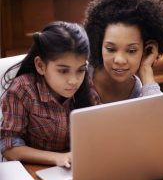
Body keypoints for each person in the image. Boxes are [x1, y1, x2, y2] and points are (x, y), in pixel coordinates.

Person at [0, 21, 97, 167]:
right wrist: (57, 158)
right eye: (63, 71)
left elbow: (97, 130)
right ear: (40, 66)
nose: (74, 80)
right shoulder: (22, 90)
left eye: (81, 70)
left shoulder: (84, 85)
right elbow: (9, 147)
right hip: (34, 170)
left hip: (73, 168)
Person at [84, 0, 163, 103]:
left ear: (145, 50)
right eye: (111, 49)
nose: (120, 60)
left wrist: (146, 70)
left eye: (131, 51)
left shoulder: (140, 90)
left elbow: (162, 119)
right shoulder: (79, 76)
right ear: (98, 44)